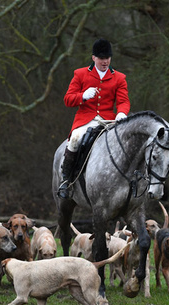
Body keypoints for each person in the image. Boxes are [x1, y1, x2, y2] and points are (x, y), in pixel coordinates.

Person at [57, 38, 130, 199]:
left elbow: (123, 101)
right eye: (101, 58)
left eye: (107, 58)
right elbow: (68, 99)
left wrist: (121, 113)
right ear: (93, 58)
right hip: (86, 119)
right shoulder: (80, 74)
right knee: (75, 139)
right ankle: (66, 180)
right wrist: (82, 96)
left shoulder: (119, 78)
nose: (105, 62)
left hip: (108, 120)